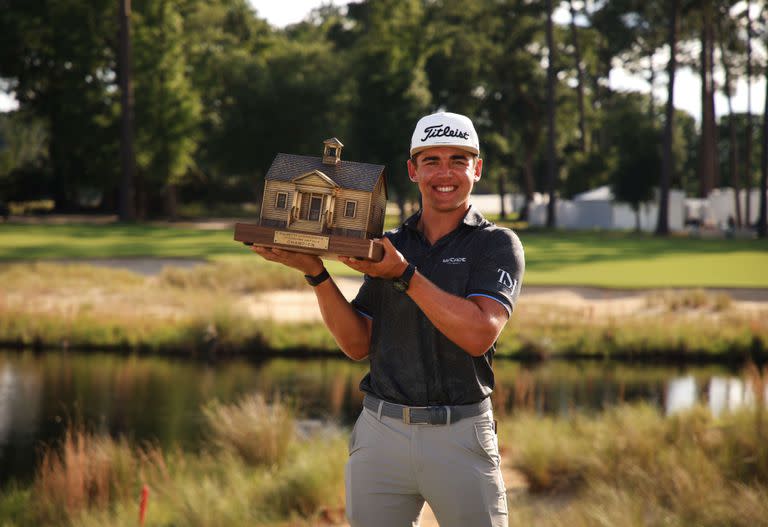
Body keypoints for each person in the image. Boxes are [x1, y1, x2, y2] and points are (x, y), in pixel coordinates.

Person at [251, 111, 524, 527]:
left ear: (478, 169)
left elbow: (478, 333)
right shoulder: (390, 244)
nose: (444, 173)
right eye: (431, 160)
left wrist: (404, 275)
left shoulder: (497, 244)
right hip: (381, 434)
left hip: (460, 434)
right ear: (413, 170)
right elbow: (358, 343)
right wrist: (315, 272)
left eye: (458, 160)